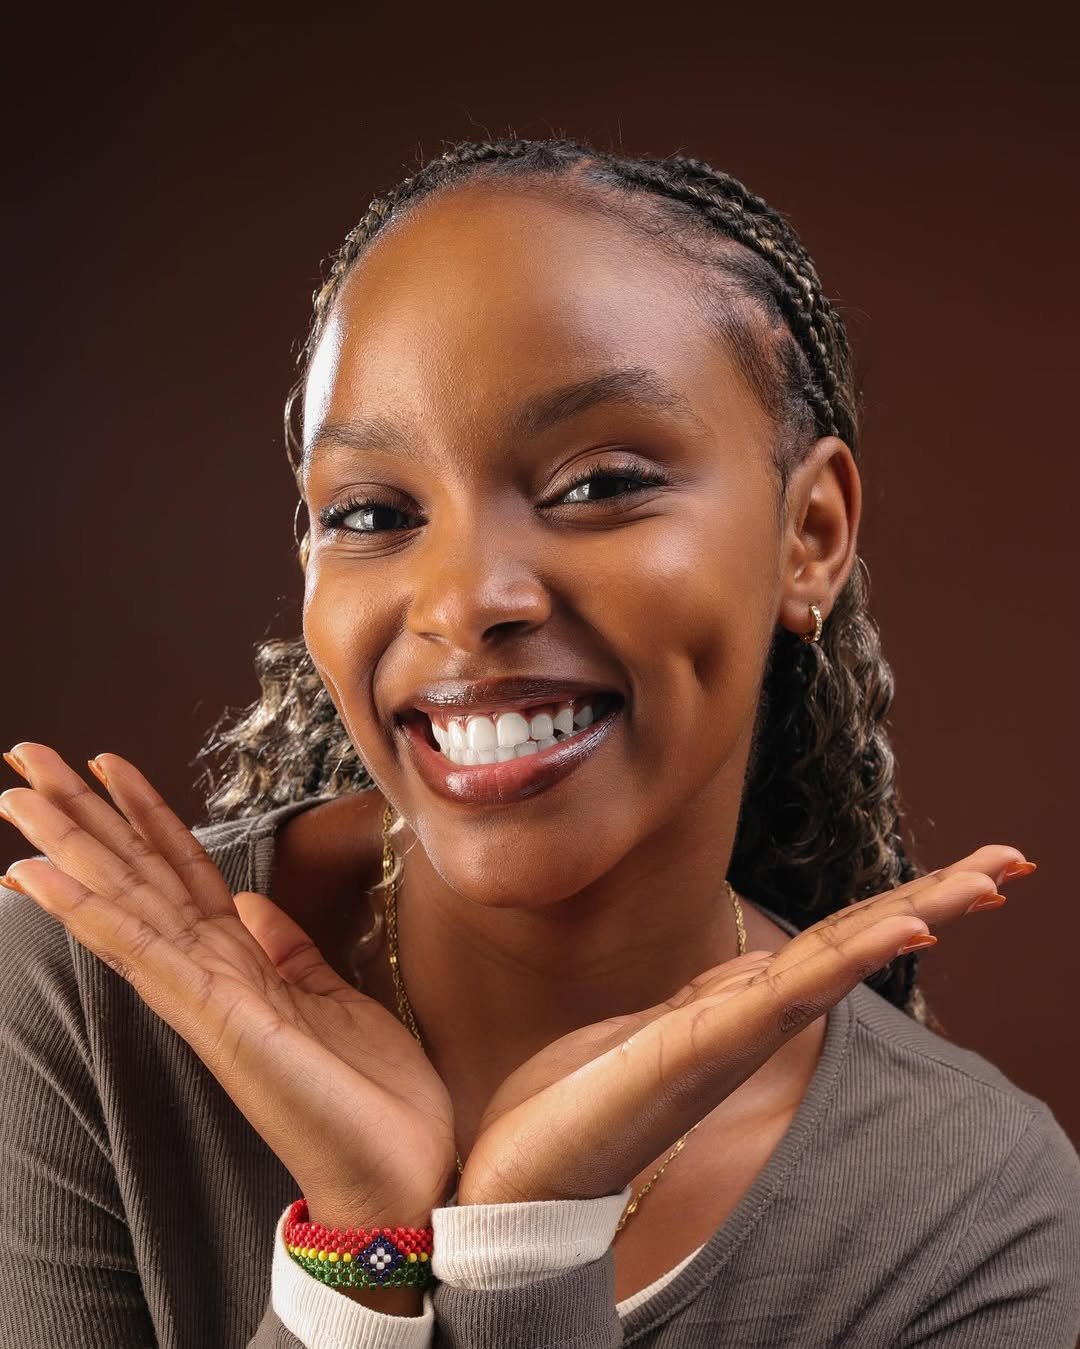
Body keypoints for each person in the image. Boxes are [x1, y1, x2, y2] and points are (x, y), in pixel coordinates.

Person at [0, 135, 1077, 1349]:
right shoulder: (87, 993)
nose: (466, 600)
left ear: (810, 533)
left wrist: (526, 1251)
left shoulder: (968, 1211)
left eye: (598, 485)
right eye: (372, 511)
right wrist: (358, 1252)